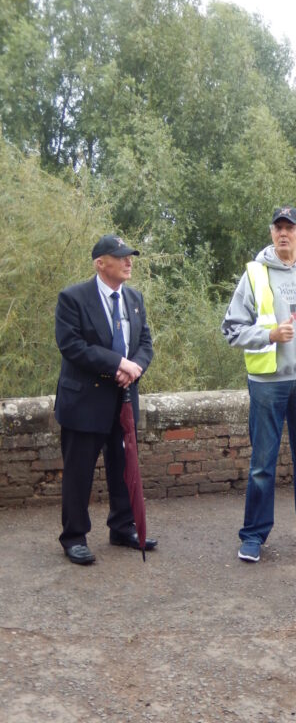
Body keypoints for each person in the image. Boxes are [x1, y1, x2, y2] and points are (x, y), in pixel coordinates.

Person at [221, 206, 296, 563]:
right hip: (267, 382)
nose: (284, 233)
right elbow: (231, 329)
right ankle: (254, 536)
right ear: (272, 234)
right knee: (262, 463)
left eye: (291, 227)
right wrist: (269, 334)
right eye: (278, 228)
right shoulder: (254, 274)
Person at [55, 234, 155, 565]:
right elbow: (72, 346)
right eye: (122, 256)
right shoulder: (73, 298)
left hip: (124, 398)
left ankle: (123, 527)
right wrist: (117, 363)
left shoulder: (135, 298)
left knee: (123, 465)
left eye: (130, 256)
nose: (129, 262)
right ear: (101, 263)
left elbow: (144, 342)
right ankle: (74, 536)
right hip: (84, 401)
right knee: (79, 471)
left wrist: (134, 366)